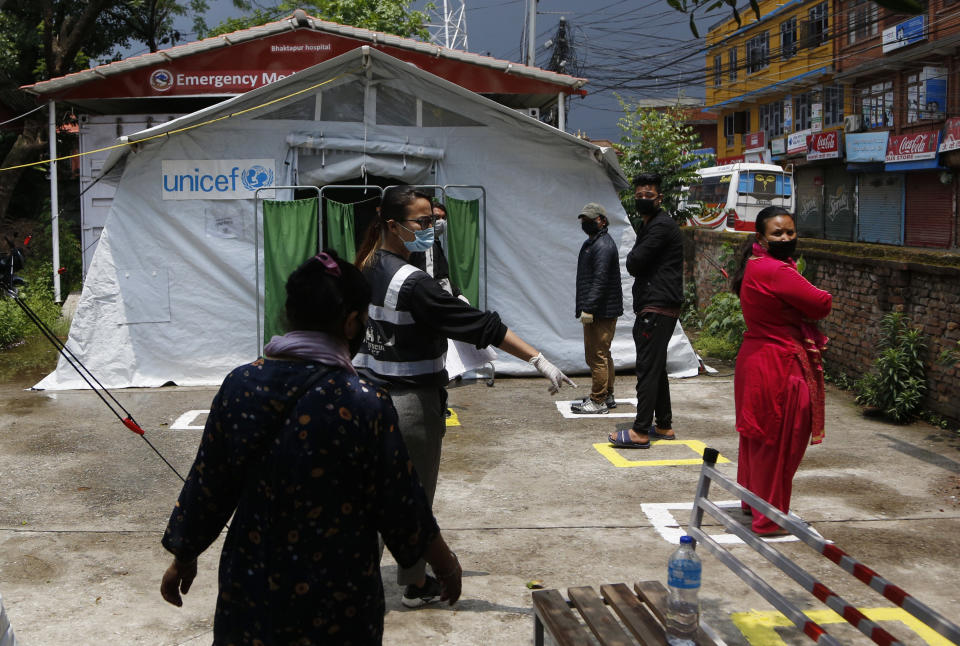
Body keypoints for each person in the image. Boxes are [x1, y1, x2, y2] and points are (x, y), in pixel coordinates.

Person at [159, 251, 462, 644]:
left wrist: (184, 556)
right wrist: (444, 562)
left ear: (290, 313)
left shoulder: (241, 385)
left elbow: (209, 484)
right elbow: (400, 502)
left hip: (253, 581)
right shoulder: (364, 400)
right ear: (352, 323)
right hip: (339, 593)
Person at [353, 186, 574, 606]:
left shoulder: (367, 263)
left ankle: (362, 577)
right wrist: (537, 358)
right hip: (409, 404)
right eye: (421, 222)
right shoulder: (413, 283)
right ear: (394, 226)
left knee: (372, 494)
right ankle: (415, 583)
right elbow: (478, 325)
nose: (430, 228)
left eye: (432, 220)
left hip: (369, 395)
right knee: (413, 496)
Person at [730, 206, 832, 536]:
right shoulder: (777, 271)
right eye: (778, 233)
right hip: (779, 364)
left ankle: (752, 502)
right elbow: (820, 303)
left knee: (757, 438)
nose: (786, 238)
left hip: (757, 359)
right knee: (781, 442)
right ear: (761, 237)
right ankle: (769, 518)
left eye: (790, 232)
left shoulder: (755, 264)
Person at [609, 173, 683, 449]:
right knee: (656, 367)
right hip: (659, 304)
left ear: (659, 198)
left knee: (647, 369)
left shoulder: (660, 227)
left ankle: (640, 431)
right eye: (638, 196)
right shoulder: (651, 224)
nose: (642, 200)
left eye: (648, 196)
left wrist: (634, 257)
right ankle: (663, 425)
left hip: (657, 305)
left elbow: (634, 263)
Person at [571, 202, 623, 415]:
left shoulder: (602, 246)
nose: (585, 223)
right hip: (603, 309)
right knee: (603, 353)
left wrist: (589, 308)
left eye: (590, 219)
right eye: (583, 219)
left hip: (601, 311)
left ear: (601, 220)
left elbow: (600, 280)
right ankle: (607, 395)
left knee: (597, 355)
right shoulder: (595, 242)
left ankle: (598, 400)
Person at [410, 200, 462, 299]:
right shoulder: (423, 245)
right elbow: (428, 278)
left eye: (444, 218)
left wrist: (457, 293)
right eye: (437, 218)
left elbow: (442, 274)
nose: (441, 222)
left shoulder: (435, 242)